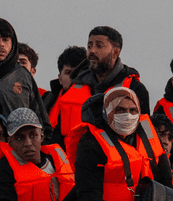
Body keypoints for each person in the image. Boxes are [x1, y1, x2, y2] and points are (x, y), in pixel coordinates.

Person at [53, 26, 150, 162]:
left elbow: (145, 137)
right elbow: (58, 134)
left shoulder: (134, 89)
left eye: (99, 46)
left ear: (115, 52)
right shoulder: (74, 87)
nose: (92, 51)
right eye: (89, 46)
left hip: (117, 169)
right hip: (73, 168)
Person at [0, 18, 49, 126]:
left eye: (5, 39)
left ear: (13, 43)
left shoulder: (23, 75)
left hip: (17, 140)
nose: (1, 44)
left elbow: (40, 119)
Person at [44, 45, 86, 131]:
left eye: (79, 73)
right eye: (68, 72)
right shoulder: (45, 100)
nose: (73, 78)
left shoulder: (98, 102)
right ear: (60, 78)